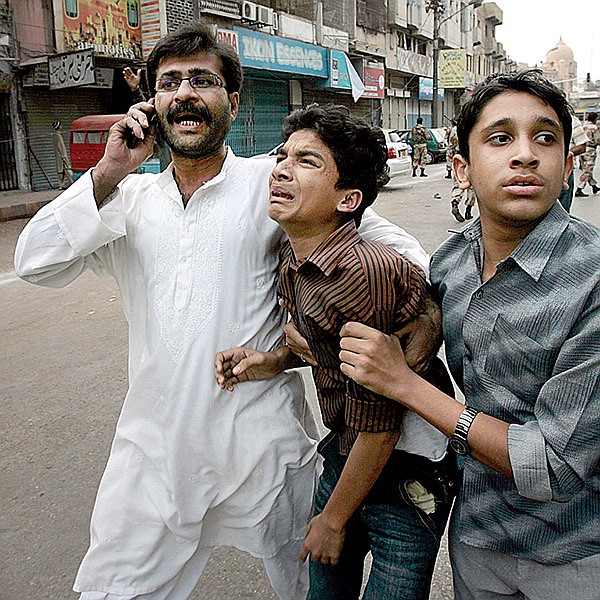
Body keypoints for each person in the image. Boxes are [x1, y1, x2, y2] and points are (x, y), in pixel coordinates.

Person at [15, 22, 437, 600]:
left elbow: (397, 252)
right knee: (111, 590)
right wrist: (110, 171)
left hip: (259, 447)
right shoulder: (126, 201)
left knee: (304, 585)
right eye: (170, 83)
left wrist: (425, 317)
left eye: (203, 81)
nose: (185, 93)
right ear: (151, 102)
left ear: (232, 103)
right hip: (154, 451)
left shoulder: (270, 183)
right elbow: (34, 261)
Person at [339, 69, 600, 599]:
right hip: (477, 537)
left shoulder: (593, 277)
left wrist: (406, 386)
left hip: (575, 553)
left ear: (568, 166)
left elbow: (552, 466)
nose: (525, 155)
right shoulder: (452, 262)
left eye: (545, 138)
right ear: (462, 168)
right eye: (500, 138)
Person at [215, 104, 456, 600]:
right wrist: (269, 360)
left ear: (348, 199)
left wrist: (331, 518)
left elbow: (382, 421)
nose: (279, 167)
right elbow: (326, 343)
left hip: (408, 470)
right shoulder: (295, 251)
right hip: (347, 453)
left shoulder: (362, 272)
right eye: (283, 156)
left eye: (307, 161)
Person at [447, 122, 476, 222]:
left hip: (459, 158)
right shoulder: (471, 127)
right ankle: (468, 210)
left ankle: (455, 202)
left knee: (459, 184)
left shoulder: (454, 130)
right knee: (472, 186)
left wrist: (450, 162)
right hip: (471, 157)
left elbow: (450, 146)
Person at [558, 114, 588, 210]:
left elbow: (582, 146)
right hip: (537, 170)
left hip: (564, 171)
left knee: (562, 211)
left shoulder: (571, 121)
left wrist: (562, 155)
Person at [574, 111, 600, 197]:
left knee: (586, 169)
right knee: (588, 171)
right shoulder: (594, 128)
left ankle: (594, 186)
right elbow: (597, 140)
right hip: (590, 151)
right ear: (595, 119)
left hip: (583, 150)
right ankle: (579, 188)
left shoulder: (583, 126)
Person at [52, 120, 74, 189]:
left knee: (61, 170)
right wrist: (64, 156)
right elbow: (61, 146)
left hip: (58, 156)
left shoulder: (55, 135)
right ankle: (72, 182)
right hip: (62, 156)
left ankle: (61, 184)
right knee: (67, 169)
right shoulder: (58, 136)